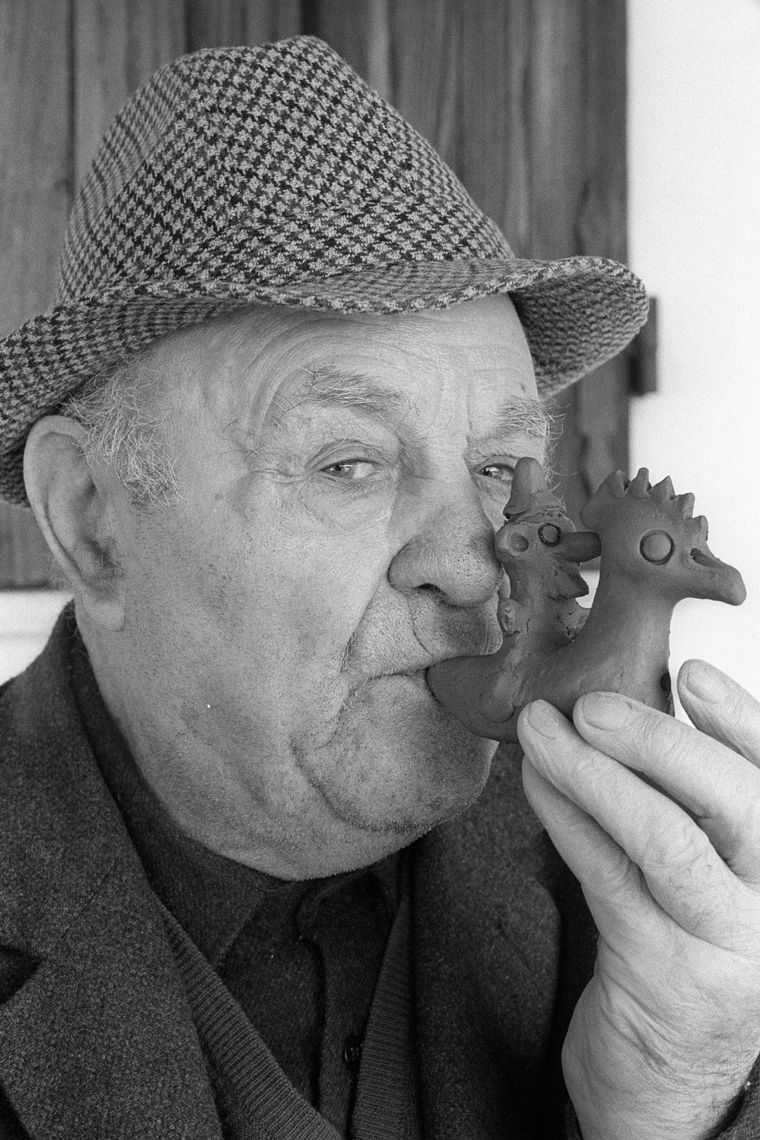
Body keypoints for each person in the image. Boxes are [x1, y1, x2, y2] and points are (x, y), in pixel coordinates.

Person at [0, 35, 758, 1140]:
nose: (474, 560)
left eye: (498, 469)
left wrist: (672, 1103)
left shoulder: (668, 922)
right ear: (92, 520)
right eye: (347, 463)